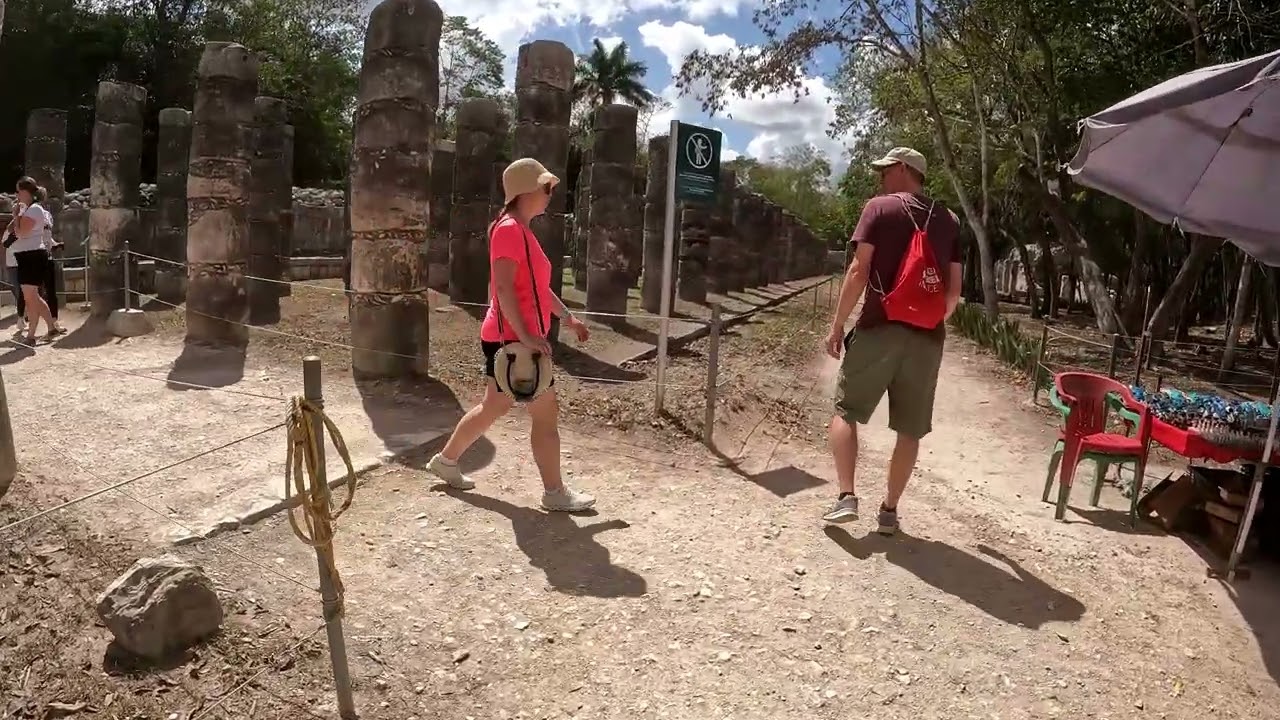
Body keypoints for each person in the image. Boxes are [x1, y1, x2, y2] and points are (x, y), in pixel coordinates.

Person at [426, 158, 597, 512]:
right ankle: (554, 493)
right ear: (526, 191)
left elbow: (538, 289)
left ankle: (447, 460)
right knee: (545, 415)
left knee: (495, 405)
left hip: (512, 337)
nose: (550, 194)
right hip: (513, 340)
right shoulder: (508, 230)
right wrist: (528, 337)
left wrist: (568, 318)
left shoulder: (520, 231)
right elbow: (502, 288)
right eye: (546, 187)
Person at [821, 147, 962, 534]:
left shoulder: (879, 208)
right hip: (928, 339)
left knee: (846, 410)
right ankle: (889, 511)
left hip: (878, 327)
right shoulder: (950, 220)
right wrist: (926, 318)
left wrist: (837, 326)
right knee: (910, 429)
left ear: (903, 169)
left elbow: (858, 270)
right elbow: (953, 293)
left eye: (885, 169)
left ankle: (847, 497)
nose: (881, 176)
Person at [3, 177, 58, 342]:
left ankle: (36, 332)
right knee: (31, 297)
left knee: (31, 297)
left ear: (26, 192)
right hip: (26, 257)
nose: (16, 194)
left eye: (18, 191)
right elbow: (13, 230)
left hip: (33, 256)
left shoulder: (34, 210)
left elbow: (20, 233)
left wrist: (16, 214)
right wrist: (18, 214)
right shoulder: (27, 209)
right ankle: (44, 330)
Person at [35, 186, 64, 334]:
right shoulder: (30, 213)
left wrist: (54, 244)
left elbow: (47, 234)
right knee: (35, 292)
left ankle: (53, 322)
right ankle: (34, 325)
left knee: (51, 291)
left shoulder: (47, 214)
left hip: (47, 256)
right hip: (34, 256)